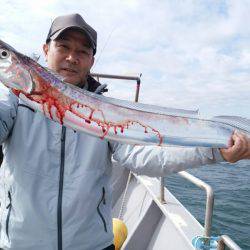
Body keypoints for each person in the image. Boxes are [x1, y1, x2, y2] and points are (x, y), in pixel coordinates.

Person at [0, 13, 249, 250]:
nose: (71, 57)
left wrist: (214, 152)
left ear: (91, 60)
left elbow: (143, 158)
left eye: (82, 51)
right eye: (63, 46)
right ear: (46, 50)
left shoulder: (106, 112)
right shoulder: (13, 101)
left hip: (93, 244)